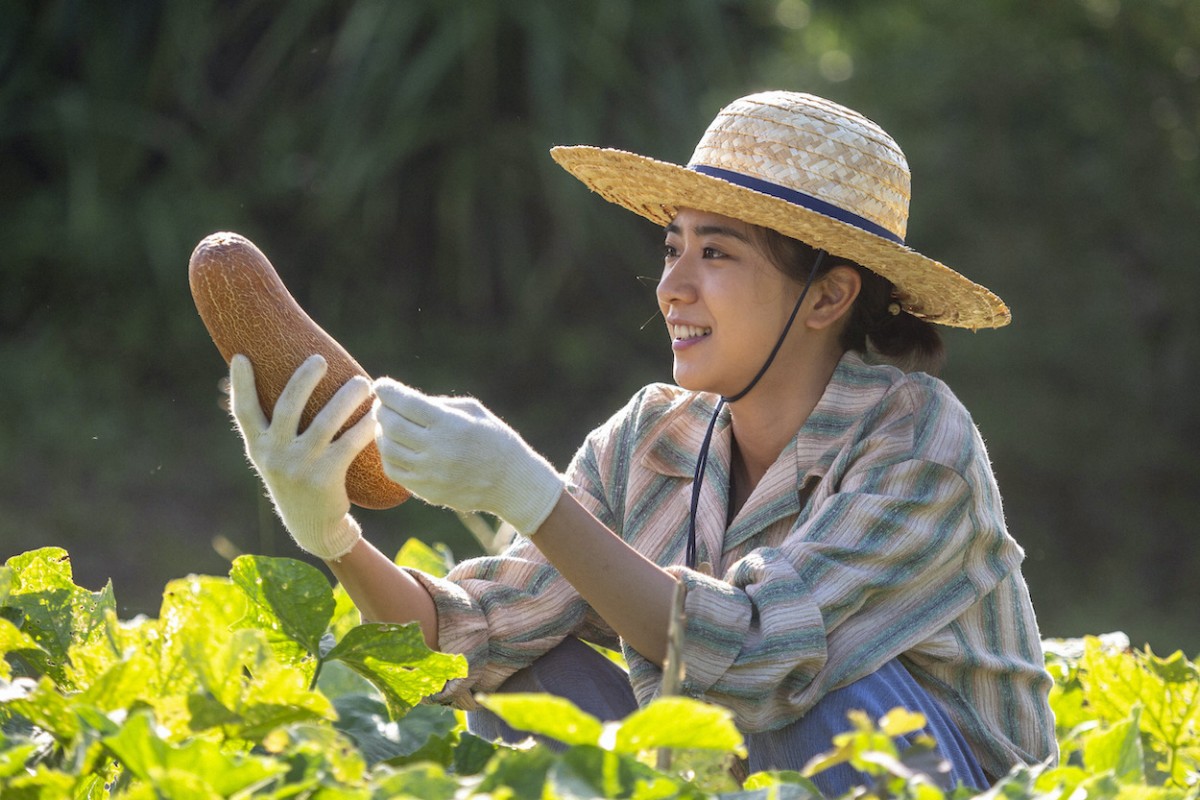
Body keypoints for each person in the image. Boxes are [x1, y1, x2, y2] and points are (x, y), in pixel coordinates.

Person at [229, 91, 1056, 794]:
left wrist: (531, 494)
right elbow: (463, 639)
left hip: (930, 779)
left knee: (839, 694)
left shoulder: (917, 440)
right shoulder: (650, 437)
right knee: (520, 677)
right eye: (673, 248)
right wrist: (332, 532)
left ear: (828, 295)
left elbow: (765, 651)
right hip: (741, 774)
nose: (672, 286)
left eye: (718, 254)